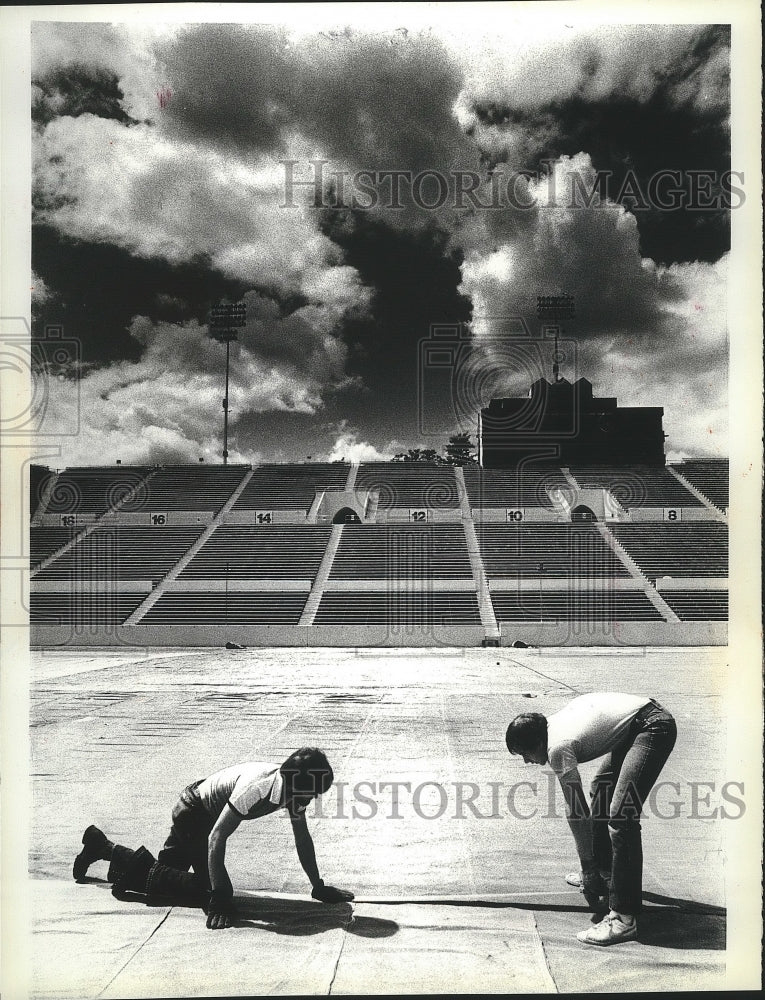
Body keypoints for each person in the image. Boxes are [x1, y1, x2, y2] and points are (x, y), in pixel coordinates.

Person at [73, 747, 354, 929]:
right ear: (296, 783)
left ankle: (102, 847)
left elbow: (302, 839)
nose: (314, 798)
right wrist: (219, 896)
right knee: (207, 892)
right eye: (313, 792)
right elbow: (216, 837)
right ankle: (104, 847)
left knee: (162, 876)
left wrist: (317, 886)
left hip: (202, 810)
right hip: (194, 813)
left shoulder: (294, 790)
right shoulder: (256, 787)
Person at [505, 692, 677, 946]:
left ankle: (623, 919)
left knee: (622, 818)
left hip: (653, 726)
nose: (527, 761)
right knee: (601, 789)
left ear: (537, 743)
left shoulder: (557, 747)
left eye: (524, 753)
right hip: (639, 720)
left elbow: (576, 809)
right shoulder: (549, 727)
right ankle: (605, 871)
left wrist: (586, 865)